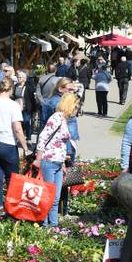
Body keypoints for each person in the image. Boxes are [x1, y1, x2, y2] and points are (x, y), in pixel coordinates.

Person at [0, 78, 28, 214]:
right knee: (12, 178)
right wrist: (24, 146)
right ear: (11, 89)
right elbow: (17, 128)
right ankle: (12, 206)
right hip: (8, 143)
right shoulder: (13, 105)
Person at [34, 92, 79, 227]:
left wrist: (63, 162)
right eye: (76, 106)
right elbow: (43, 137)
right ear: (70, 106)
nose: (77, 110)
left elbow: (60, 142)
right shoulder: (57, 117)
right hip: (48, 162)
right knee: (49, 196)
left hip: (58, 163)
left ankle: (53, 225)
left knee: (55, 198)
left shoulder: (64, 119)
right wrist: (38, 158)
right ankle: (45, 224)